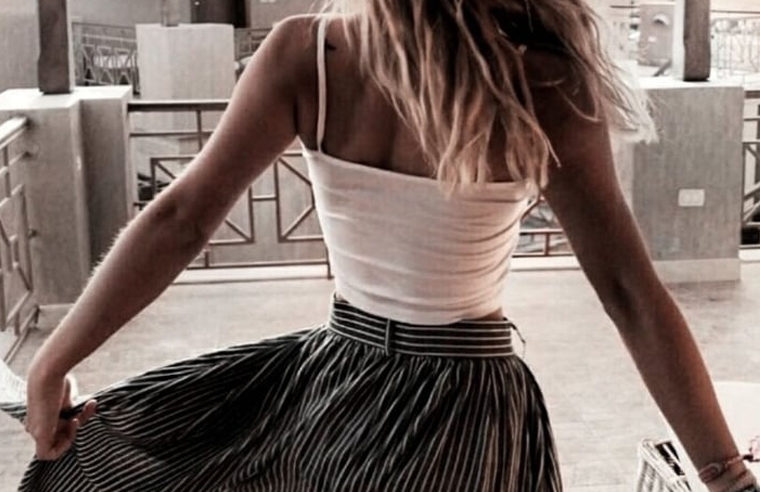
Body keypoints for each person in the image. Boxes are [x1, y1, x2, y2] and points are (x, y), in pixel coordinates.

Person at [1, 1, 758, 490]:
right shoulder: (544, 81)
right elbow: (629, 294)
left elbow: (180, 220)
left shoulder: (309, 52)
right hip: (470, 406)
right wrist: (724, 474)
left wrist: (52, 363)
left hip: (336, 384)